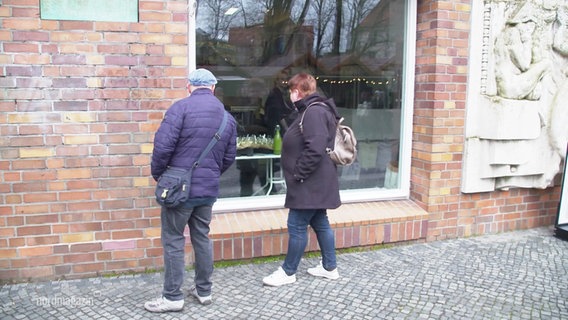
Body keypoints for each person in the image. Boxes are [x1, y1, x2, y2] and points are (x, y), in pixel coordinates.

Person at [145, 68, 237, 312]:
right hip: (207, 190)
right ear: (213, 88)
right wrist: (210, 176)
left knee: (174, 240)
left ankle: (173, 297)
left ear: (189, 87)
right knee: (201, 237)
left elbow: (162, 148)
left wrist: (160, 176)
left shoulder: (179, 109)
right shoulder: (228, 118)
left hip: (178, 191)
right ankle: (204, 291)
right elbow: (228, 157)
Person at [262, 72, 341, 287]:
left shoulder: (313, 112)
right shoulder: (315, 109)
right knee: (320, 222)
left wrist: (298, 173)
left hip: (309, 182)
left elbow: (315, 149)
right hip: (317, 181)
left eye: (290, 91)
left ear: (297, 92)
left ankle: (288, 272)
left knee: (296, 225)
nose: (289, 95)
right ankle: (329, 267)